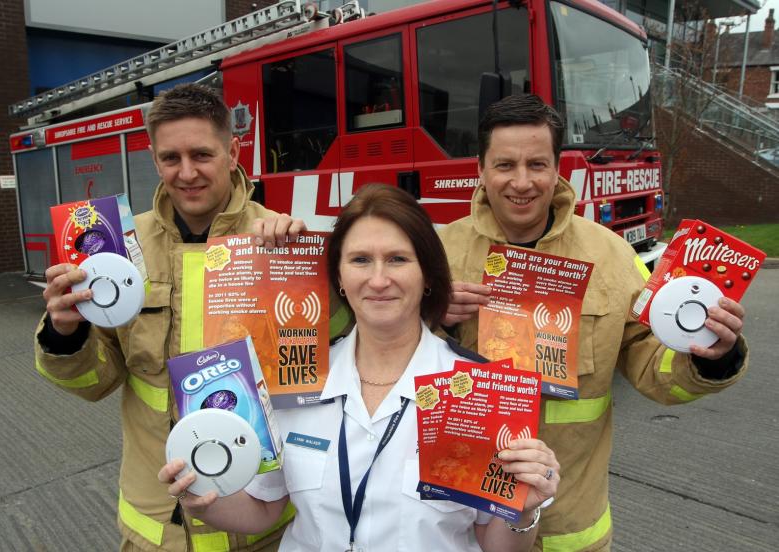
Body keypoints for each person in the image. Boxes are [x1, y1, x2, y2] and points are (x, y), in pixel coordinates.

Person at [159, 183, 561, 551]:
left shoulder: (479, 389)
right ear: (339, 277)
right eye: (361, 260)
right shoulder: (294, 380)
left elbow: (495, 544)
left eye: (398, 259)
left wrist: (523, 510)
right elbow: (263, 508)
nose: (379, 279)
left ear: (427, 277)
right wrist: (202, 501)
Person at [438, 94, 749, 551]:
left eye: (537, 164)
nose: (522, 182)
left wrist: (714, 356)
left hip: (568, 525)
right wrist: (428, 317)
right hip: (456, 520)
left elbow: (650, 361)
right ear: (480, 169)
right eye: (505, 165)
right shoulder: (435, 253)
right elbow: (376, 358)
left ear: (558, 168)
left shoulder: (611, 255)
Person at [35, 83, 307, 551]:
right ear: (152, 157)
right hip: (155, 526)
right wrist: (66, 333)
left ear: (234, 150)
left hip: (259, 526)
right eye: (170, 158)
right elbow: (98, 380)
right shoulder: (116, 245)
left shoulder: (279, 240)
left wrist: (312, 271)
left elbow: (331, 369)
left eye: (202, 154)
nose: (186, 173)